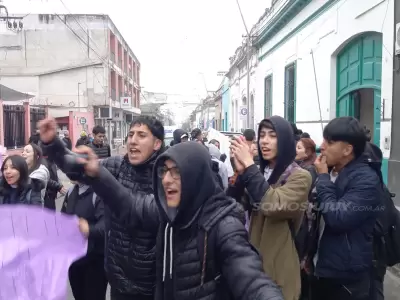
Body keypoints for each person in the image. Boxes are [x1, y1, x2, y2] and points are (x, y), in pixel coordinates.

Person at [69, 141, 285, 300]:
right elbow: (129, 206)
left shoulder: (223, 224)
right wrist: (96, 173)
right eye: (164, 171)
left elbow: (251, 279)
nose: (166, 179)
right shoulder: (167, 211)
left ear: (195, 177)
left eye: (176, 172)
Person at [38, 116, 165, 300]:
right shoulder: (117, 165)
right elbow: (77, 169)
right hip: (117, 279)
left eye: (141, 135)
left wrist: (99, 173)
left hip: (150, 285)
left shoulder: (165, 176)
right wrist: (53, 143)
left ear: (157, 143)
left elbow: (135, 211)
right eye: (130, 135)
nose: (133, 140)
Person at [228, 115, 312, 300]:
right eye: (262, 135)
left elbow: (273, 204)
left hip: (278, 266)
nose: (265, 141)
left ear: (286, 140)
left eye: (273, 135)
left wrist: (249, 167)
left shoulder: (300, 176)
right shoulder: (258, 173)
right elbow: (232, 206)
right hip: (251, 264)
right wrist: (240, 174)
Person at [311, 117, 381, 300]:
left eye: (330, 142)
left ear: (347, 149)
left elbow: (338, 218)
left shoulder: (366, 179)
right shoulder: (327, 169)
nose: (321, 146)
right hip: (321, 267)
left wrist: (324, 179)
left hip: (346, 275)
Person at [62, 181, 107, 300]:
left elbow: (106, 226)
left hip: (94, 261)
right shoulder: (71, 191)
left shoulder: (99, 193)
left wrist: (89, 229)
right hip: (74, 259)